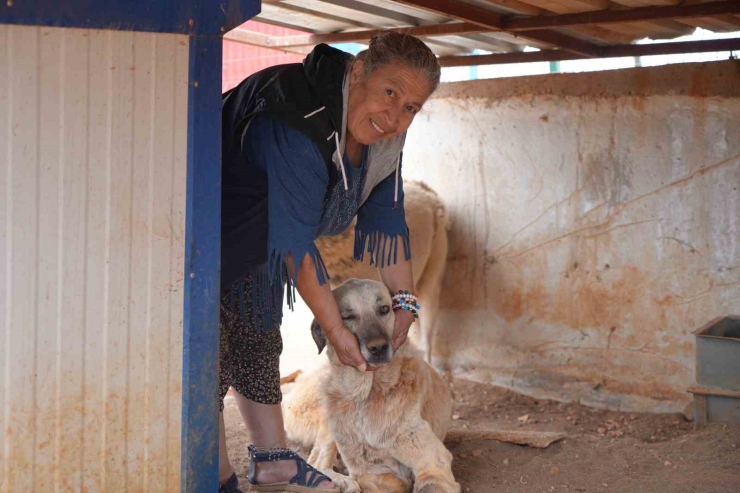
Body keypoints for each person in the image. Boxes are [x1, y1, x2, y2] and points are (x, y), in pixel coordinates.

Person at [218, 31, 441, 492]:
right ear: (358, 70)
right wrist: (337, 331)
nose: (395, 117)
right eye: (390, 93)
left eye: (411, 108)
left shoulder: (382, 138)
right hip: (197, 229)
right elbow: (298, 246)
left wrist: (405, 304)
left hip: (259, 241)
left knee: (259, 336)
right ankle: (216, 478)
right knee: (208, 352)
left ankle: (273, 461)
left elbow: (387, 219)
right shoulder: (298, 119)